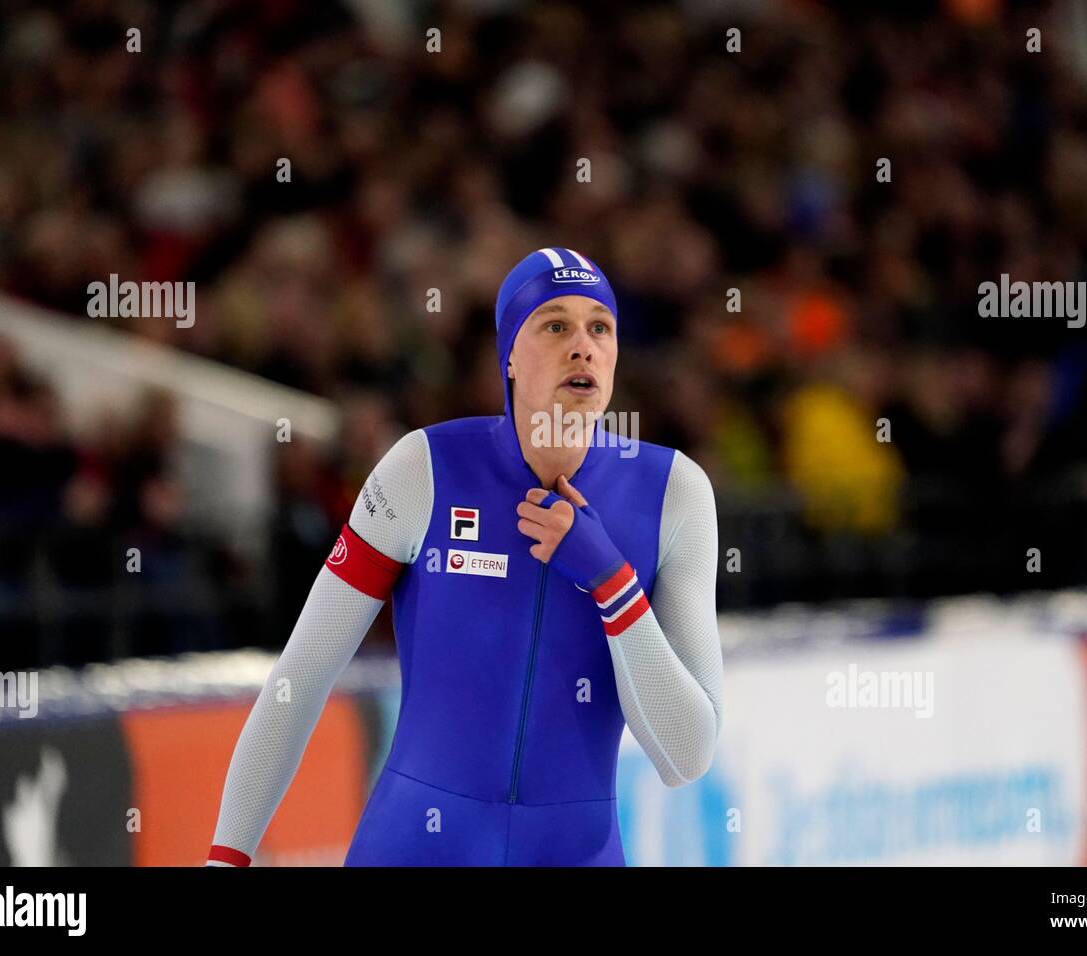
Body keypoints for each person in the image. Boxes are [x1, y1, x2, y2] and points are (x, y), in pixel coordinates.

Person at [207, 248, 724, 866]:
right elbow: (302, 678)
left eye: (600, 327)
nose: (582, 345)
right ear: (508, 353)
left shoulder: (674, 493)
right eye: (555, 324)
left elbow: (686, 757)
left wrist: (613, 583)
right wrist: (225, 859)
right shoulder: (422, 468)